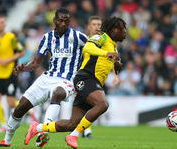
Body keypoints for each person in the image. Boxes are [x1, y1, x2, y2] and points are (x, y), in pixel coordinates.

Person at [0, 7, 88, 147]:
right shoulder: (47, 37)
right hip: (47, 77)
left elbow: (93, 47)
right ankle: (6, 141)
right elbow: (36, 62)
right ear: (54, 20)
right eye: (60, 20)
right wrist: (24, 68)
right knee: (20, 108)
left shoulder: (78, 36)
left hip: (67, 79)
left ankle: (43, 132)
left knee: (58, 93)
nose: (63, 24)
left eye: (66, 21)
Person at [24, 16, 127, 149]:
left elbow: (107, 62)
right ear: (114, 29)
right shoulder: (102, 36)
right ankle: (74, 135)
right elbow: (88, 47)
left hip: (92, 82)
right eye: (123, 29)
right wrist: (106, 53)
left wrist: (116, 66)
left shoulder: (113, 45)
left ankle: (36, 127)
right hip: (86, 78)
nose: (125, 32)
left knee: (71, 123)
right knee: (102, 104)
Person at [0, 14, 24, 133]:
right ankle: (3, 124)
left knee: (11, 102)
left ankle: (29, 109)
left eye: (2, 22)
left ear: (5, 24)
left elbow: (21, 52)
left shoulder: (11, 37)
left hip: (9, 73)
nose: (0, 24)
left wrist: (7, 60)